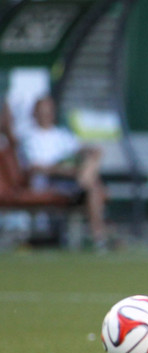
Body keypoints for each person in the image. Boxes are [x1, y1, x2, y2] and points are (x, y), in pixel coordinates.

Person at [20, 96, 108, 248]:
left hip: (72, 178)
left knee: (92, 167)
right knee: (93, 186)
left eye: (49, 111)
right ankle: (100, 236)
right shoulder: (30, 137)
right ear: (35, 113)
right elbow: (35, 168)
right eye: (43, 111)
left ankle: (99, 236)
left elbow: (78, 150)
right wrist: (62, 170)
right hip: (51, 180)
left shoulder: (62, 135)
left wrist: (91, 152)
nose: (46, 115)